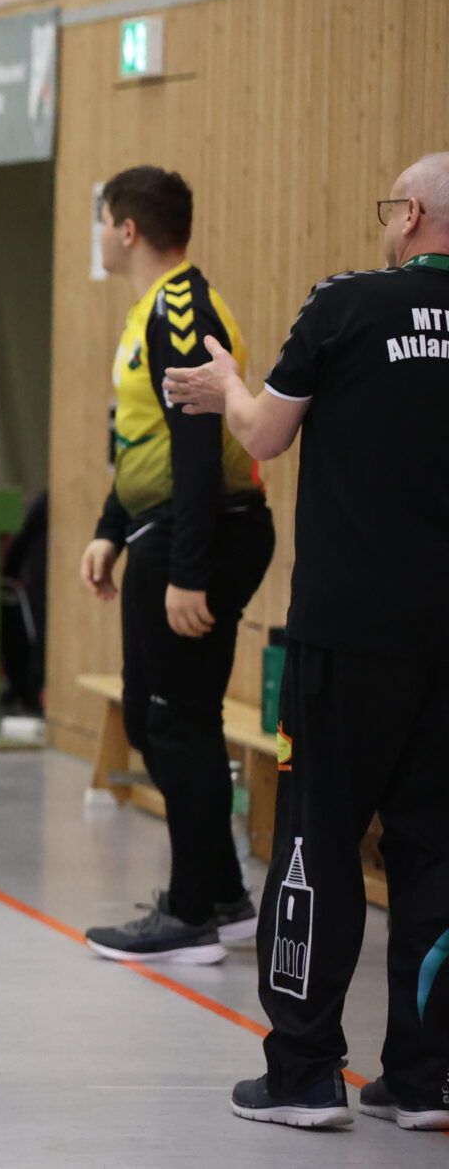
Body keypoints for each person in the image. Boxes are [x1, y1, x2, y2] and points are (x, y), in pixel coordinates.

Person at [164, 152, 449, 1132]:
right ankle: (426, 1080)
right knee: (434, 849)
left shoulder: (346, 303)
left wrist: (226, 386)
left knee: (315, 841)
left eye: (390, 209)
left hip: (346, 630)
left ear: (411, 214)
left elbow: (264, 436)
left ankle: (303, 1071)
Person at [78, 167, 273, 966]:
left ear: (126, 229)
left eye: (102, 221)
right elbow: (143, 439)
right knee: (153, 711)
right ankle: (222, 894)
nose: (100, 235)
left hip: (203, 534)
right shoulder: (149, 309)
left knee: (175, 718)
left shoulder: (181, 309)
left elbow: (196, 445)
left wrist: (187, 569)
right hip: (165, 528)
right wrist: (110, 527)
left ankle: (192, 912)